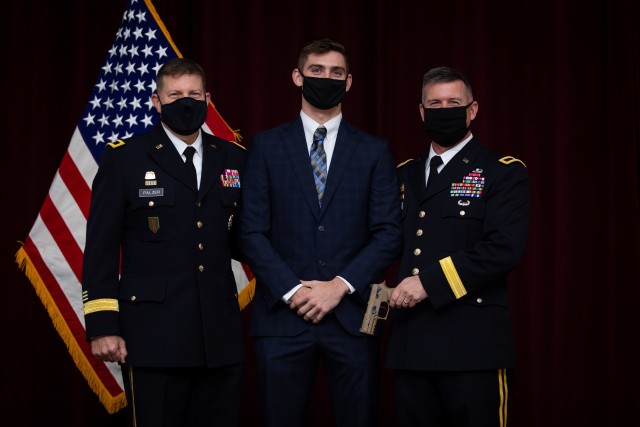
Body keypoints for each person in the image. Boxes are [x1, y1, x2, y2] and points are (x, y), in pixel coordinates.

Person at [240, 38, 403, 427]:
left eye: (336, 73)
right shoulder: (264, 147)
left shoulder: (374, 150)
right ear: (297, 76)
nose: (326, 78)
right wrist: (295, 291)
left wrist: (338, 286)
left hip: (352, 318)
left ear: (348, 83)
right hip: (282, 317)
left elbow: (388, 232)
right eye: (316, 70)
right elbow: (250, 232)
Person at [81, 58, 246, 427]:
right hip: (153, 336)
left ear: (208, 98)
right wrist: (103, 325)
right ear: (156, 101)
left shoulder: (234, 157)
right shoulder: (125, 157)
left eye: (193, 94)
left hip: (218, 336)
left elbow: (245, 239)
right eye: (174, 95)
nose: (185, 102)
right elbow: (101, 248)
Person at [386, 66, 530, 427]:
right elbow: (385, 242)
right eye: (434, 103)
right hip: (411, 346)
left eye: (454, 102)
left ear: (473, 109)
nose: (443, 109)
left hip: (473, 346)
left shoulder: (502, 172)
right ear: (421, 111)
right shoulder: (403, 173)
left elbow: (502, 249)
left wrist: (427, 283)